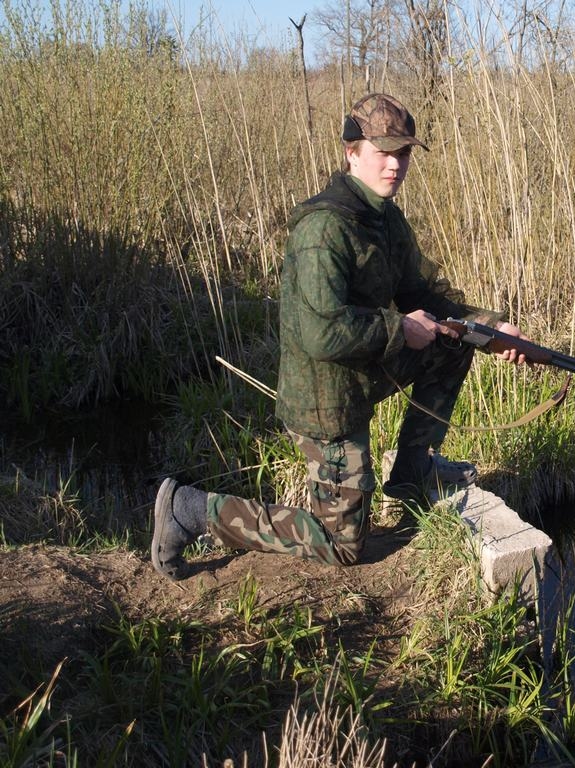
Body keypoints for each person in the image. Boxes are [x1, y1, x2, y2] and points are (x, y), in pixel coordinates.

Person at [151, 93, 527, 581]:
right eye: (383, 152)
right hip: (324, 397)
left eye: (404, 153)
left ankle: (414, 471)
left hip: (364, 368)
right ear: (352, 152)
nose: (395, 165)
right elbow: (320, 332)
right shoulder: (324, 228)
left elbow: (424, 293)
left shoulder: (386, 218)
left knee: (454, 341)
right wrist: (400, 327)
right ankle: (189, 510)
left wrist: (490, 328)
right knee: (342, 545)